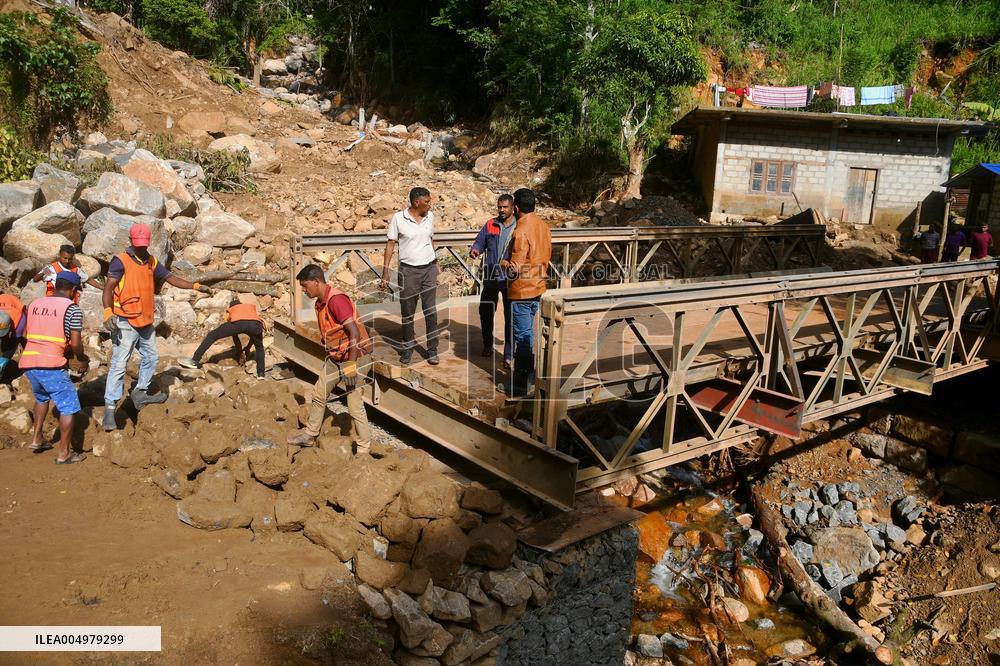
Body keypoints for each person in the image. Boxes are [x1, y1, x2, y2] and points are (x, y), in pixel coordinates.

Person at [102, 223, 213, 430]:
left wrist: (195, 286)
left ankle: (140, 392)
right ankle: (109, 409)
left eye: (145, 245)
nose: (142, 248)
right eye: (139, 245)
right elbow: (108, 287)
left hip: (145, 320)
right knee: (119, 363)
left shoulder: (151, 261)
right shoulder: (121, 261)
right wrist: (107, 311)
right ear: (132, 242)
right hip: (126, 320)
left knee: (151, 356)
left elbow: (170, 278)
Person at [287, 264, 373, 453]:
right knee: (319, 393)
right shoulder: (320, 302)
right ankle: (309, 435)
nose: (303, 290)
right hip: (337, 356)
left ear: (316, 282)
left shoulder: (336, 301)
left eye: (305, 285)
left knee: (354, 403)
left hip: (355, 356)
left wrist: (351, 365)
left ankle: (364, 449)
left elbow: (354, 334)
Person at [21, 272, 89, 464]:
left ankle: (37, 439)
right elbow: (76, 343)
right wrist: (82, 358)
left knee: (42, 398)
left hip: (29, 362)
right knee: (68, 407)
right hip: (50, 364)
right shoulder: (72, 309)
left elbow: (27, 334)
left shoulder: (35, 304)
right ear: (73, 290)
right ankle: (64, 454)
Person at [499, 188, 551, 397]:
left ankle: (521, 384)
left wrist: (502, 263)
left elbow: (515, 267)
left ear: (517, 208)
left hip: (521, 290)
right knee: (529, 333)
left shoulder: (521, 231)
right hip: (538, 286)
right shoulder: (543, 226)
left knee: (522, 336)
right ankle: (531, 375)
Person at [380, 187, 439, 365]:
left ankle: (432, 349)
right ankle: (407, 348)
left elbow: (431, 240)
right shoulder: (399, 218)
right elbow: (390, 244)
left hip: (428, 269)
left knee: (431, 311)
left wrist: (436, 263)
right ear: (416, 202)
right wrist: (385, 273)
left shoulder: (430, 217)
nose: (430, 204)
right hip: (408, 272)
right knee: (408, 312)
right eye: (427, 202)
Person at [470, 194, 517, 366]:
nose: (501, 210)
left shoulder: (518, 226)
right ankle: (487, 345)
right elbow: (479, 241)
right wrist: (475, 249)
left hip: (510, 280)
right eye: (499, 207)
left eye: (505, 207)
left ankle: (509, 354)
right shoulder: (490, 224)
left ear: (513, 208)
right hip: (490, 276)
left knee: (510, 317)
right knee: (486, 312)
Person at [178, 299, 266, 378]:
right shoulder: (248, 308)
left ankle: (194, 360)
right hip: (255, 325)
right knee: (259, 347)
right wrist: (247, 348)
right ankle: (261, 373)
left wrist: (240, 352)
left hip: (237, 324)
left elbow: (235, 336)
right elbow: (253, 338)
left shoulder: (233, 310)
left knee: (212, 336)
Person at [32, 245, 102, 303]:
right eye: (65, 258)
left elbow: (87, 279)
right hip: (53, 300)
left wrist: (102, 287)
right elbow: (35, 279)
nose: (67, 261)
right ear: (60, 255)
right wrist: (43, 273)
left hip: (70, 301)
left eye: (70, 259)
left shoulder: (75, 269)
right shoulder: (51, 267)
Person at [0, 294, 26, 380]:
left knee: (10, 345)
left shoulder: (20, 322)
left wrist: (4, 359)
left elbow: (14, 343)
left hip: (15, 307)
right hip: (3, 300)